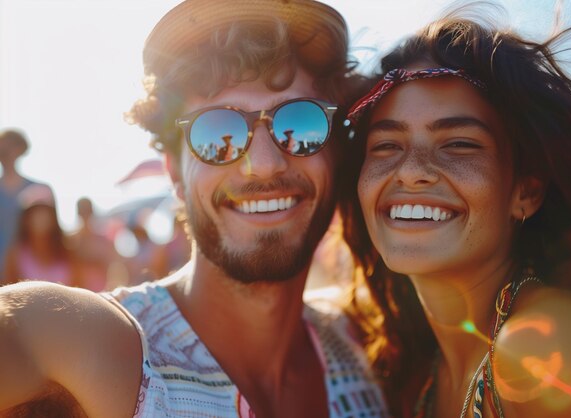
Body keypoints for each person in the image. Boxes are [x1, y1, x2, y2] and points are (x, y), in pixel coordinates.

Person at [0, 1, 388, 417]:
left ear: (336, 154)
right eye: (216, 130)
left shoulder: (371, 348)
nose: (264, 164)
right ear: (176, 174)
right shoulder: (91, 343)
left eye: (301, 123)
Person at [341, 7, 571, 418]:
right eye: (386, 146)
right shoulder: (415, 365)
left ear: (525, 192)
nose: (411, 171)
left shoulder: (550, 357)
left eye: (459, 144)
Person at [3, 183, 79, 286]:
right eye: (35, 213)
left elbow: (79, 287)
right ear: (25, 219)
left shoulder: (69, 251)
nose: (40, 218)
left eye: (44, 212)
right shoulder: (15, 255)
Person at [0, 129, 46, 281]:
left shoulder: (39, 191)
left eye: (10, 147)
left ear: (21, 150)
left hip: (31, 273)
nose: (6, 152)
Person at [67, 197, 123, 291]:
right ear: (78, 213)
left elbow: (113, 266)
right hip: (78, 291)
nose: (85, 214)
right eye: (82, 211)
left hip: (101, 291)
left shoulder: (103, 240)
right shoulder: (70, 241)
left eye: (87, 211)